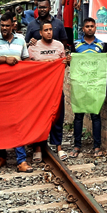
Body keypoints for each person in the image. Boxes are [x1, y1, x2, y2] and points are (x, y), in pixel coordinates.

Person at [0, 13, 32, 172]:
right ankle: (1, 157)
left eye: (7, 26)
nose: (4, 28)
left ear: (13, 26)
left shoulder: (21, 40)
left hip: (17, 89)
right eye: (1, 26)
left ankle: (21, 160)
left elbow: (27, 61)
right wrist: (4, 59)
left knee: (18, 122)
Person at [68, 18, 107, 158]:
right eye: (87, 26)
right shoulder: (76, 44)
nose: (90, 28)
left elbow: (105, 63)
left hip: (95, 85)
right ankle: (77, 145)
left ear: (95, 28)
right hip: (80, 85)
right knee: (78, 115)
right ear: (83, 29)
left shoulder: (101, 45)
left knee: (96, 115)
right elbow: (71, 64)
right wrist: (69, 60)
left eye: (92, 26)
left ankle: (97, 146)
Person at [28, 21, 68, 159]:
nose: (49, 32)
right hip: (39, 90)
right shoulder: (33, 47)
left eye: (50, 29)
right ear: (40, 32)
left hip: (56, 88)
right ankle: (38, 146)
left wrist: (66, 62)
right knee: (39, 117)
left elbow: (63, 65)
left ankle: (58, 146)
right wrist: (44, 64)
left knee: (58, 116)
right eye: (46, 30)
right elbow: (29, 65)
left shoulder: (59, 46)